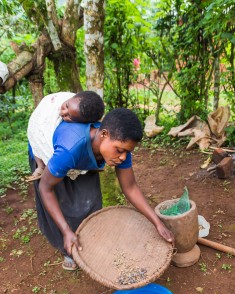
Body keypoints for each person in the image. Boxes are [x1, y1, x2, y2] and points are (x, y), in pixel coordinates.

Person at [29, 107, 175, 270]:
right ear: (104, 134)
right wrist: (65, 230)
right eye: (120, 151)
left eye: (128, 152)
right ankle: (67, 247)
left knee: (90, 200)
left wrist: (157, 223)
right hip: (51, 152)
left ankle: (87, 241)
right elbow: (45, 188)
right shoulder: (69, 149)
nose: (123, 157)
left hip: (82, 154)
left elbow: (130, 187)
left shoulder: (121, 147)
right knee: (63, 202)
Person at [27, 90, 105, 181]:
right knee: (35, 139)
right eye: (66, 106)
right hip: (39, 121)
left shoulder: (81, 126)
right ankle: (41, 166)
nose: (62, 113)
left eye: (69, 117)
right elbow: (37, 131)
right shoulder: (71, 100)